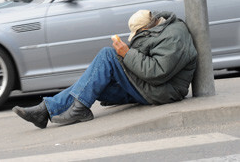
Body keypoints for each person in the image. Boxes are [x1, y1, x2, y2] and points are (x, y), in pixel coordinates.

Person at [12, 10, 197, 129]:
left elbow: (156, 73)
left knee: (107, 55)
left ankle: (72, 109)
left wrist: (126, 53)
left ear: (147, 27)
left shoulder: (174, 38)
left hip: (162, 92)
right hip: (154, 87)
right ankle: (45, 110)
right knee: (93, 82)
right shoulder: (161, 28)